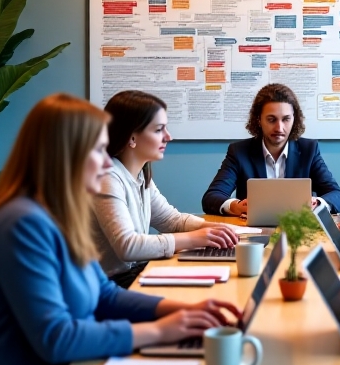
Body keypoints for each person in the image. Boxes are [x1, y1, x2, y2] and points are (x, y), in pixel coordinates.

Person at [0, 94, 240, 365]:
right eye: (98, 150)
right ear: (64, 156)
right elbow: (57, 339)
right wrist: (159, 331)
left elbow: (103, 293)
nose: (108, 163)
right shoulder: (22, 224)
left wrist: (176, 311)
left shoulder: (59, 213)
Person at [93, 90, 238, 287]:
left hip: (132, 274)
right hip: (111, 285)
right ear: (132, 138)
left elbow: (172, 220)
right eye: (159, 129)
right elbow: (128, 247)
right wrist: (194, 238)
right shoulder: (107, 177)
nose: (168, 137)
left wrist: (212, 229)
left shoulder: (140, 174)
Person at [202, 83, 340, 216]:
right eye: (271, 119)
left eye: (286, 119)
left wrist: (318, 203)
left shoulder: (308, 150)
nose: (279, 128)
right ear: (258, 120)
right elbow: (211, 197)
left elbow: (338, 196)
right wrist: (235, 206)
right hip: (253, 233)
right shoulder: (239, 152)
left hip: (298, 231)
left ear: (294, 119)